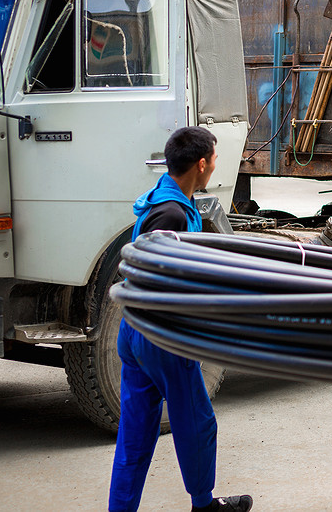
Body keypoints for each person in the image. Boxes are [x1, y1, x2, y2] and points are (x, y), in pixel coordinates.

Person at [109, 126, 253, 512]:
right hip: (161, 336)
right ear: (201, 164)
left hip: (134, 330)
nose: (215, 166)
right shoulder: (171, 215)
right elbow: (158, 275)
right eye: (215, 160)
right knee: (197, 423)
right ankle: (204, 505)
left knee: (135, 435)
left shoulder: (164, 198)